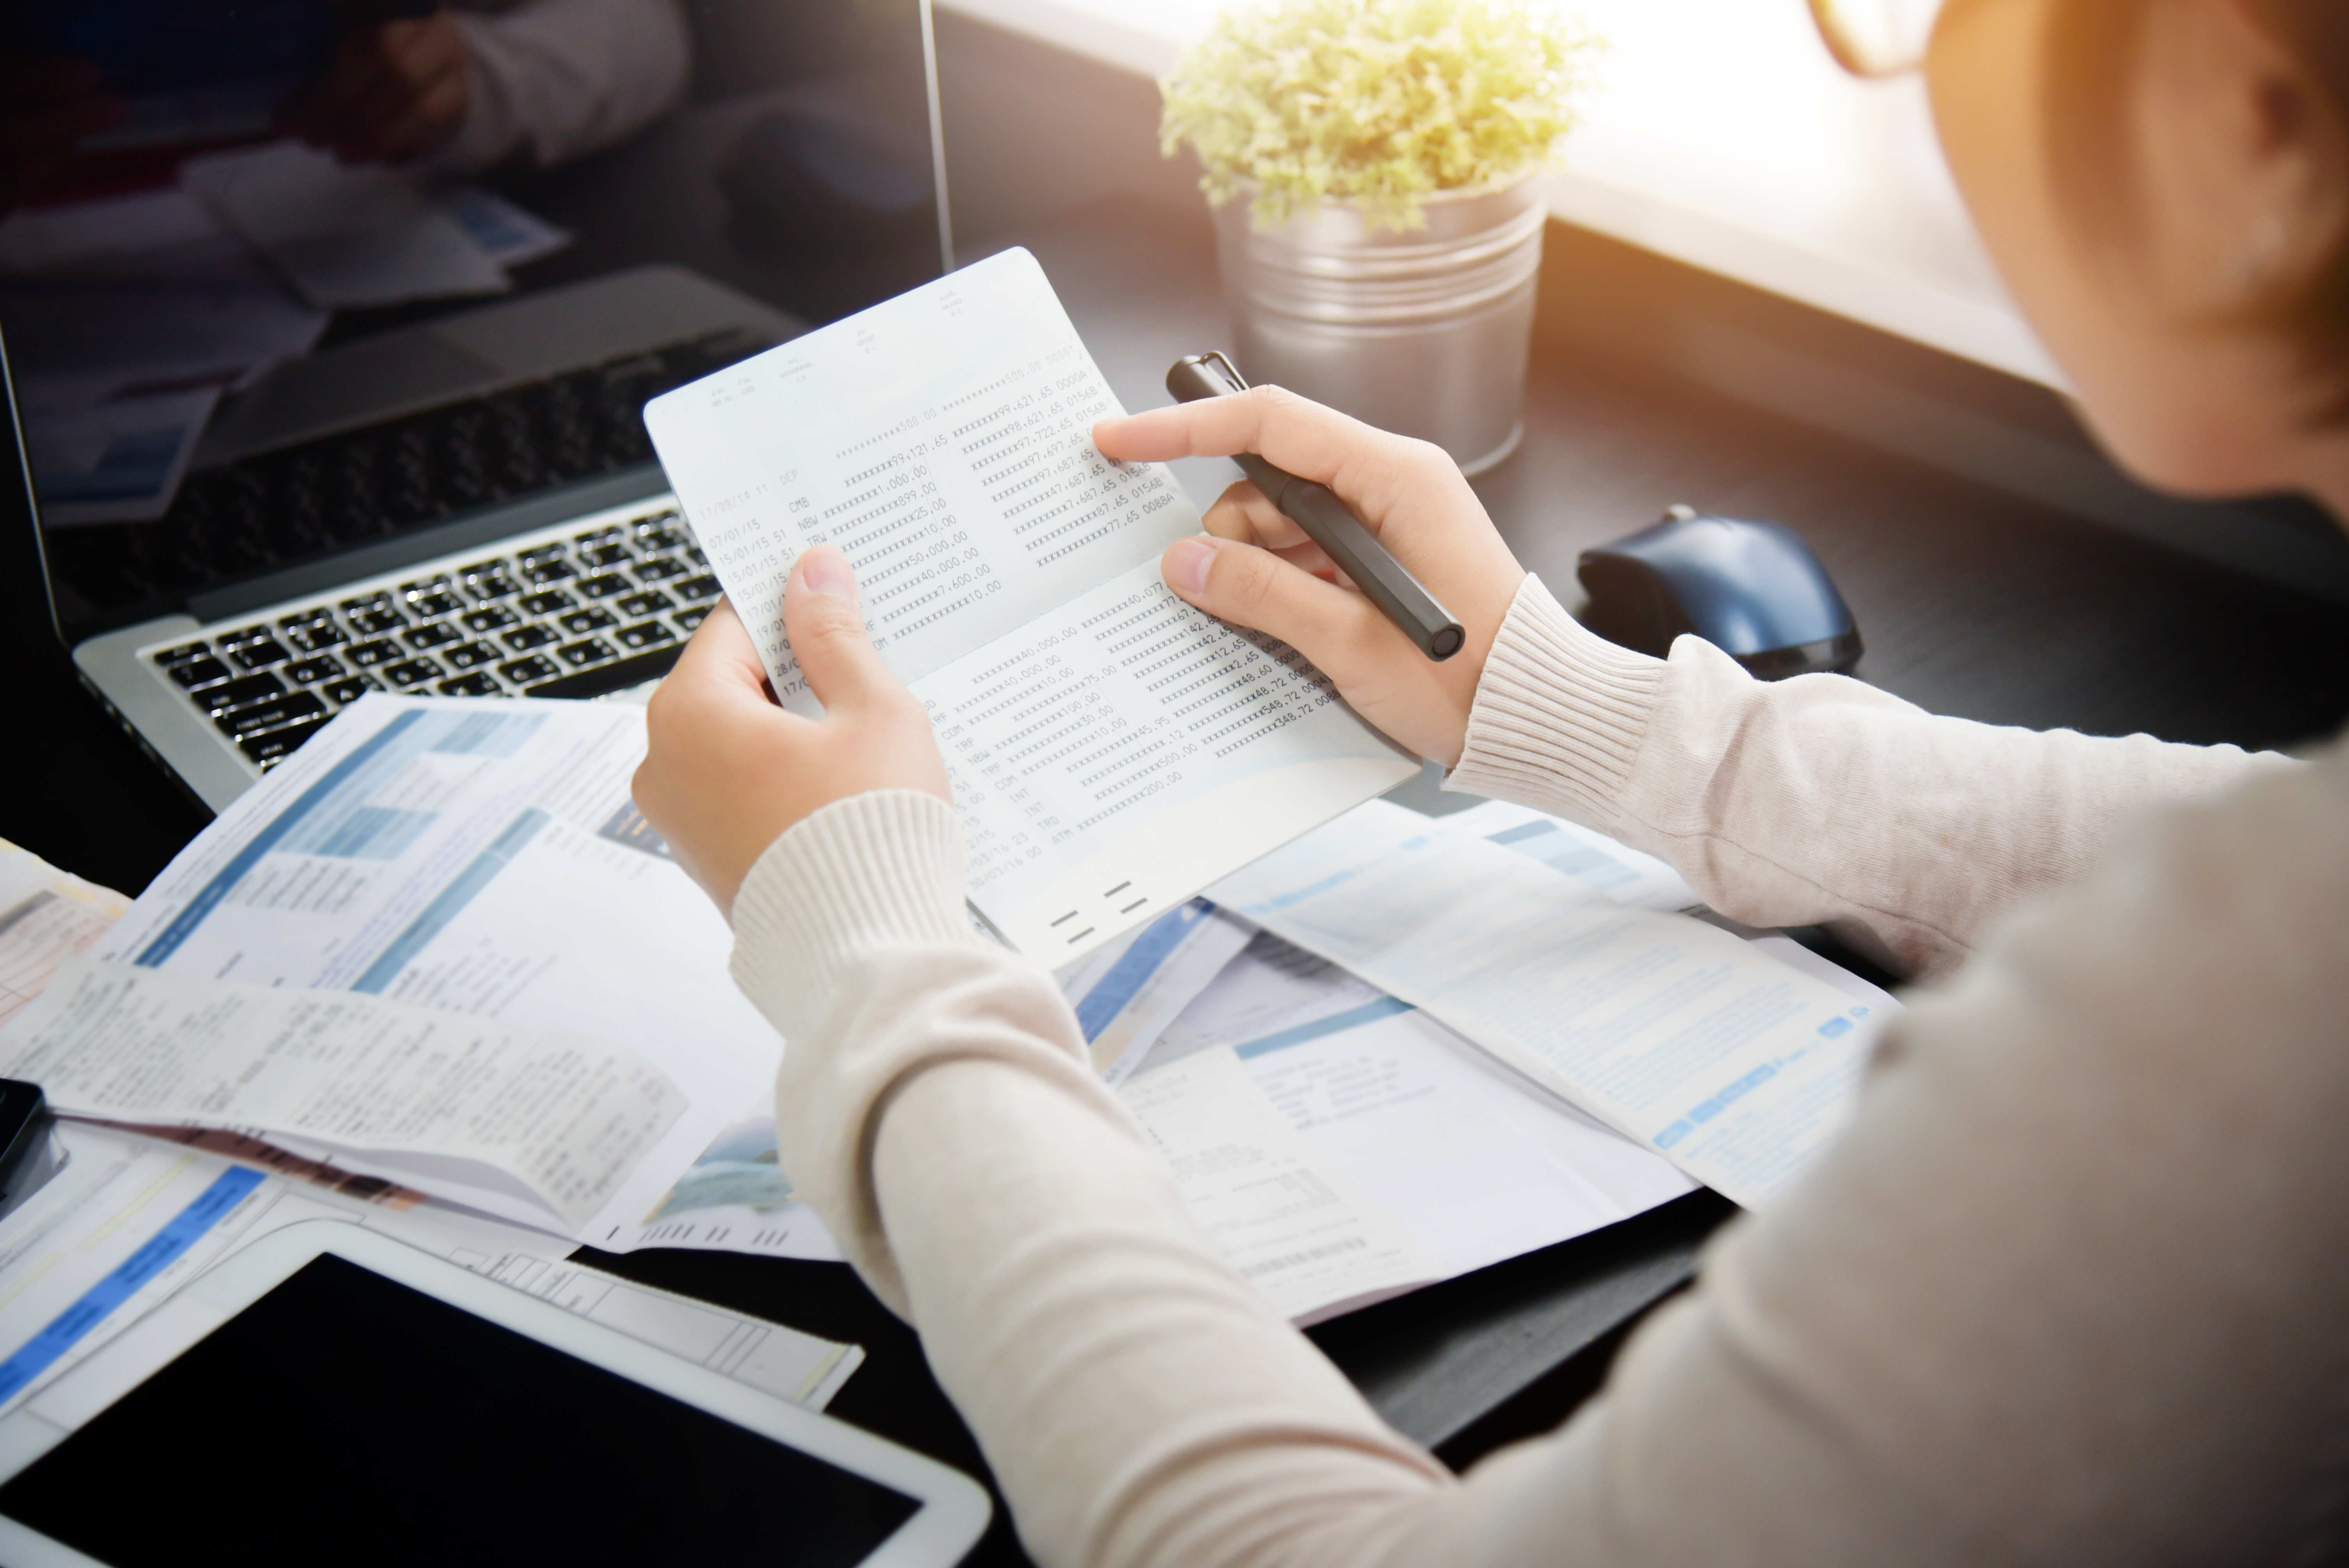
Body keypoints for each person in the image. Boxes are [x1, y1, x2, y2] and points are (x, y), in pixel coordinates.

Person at [632, 0, 2349, 1561]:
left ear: (2246, 110)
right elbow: (2210, 841)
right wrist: (1550, 698)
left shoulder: (2241, 1035)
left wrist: (867, 945)